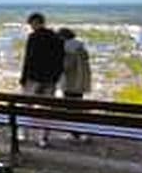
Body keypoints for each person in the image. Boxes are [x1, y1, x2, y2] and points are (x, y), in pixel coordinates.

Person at [20, 12, 65, 147]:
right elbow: (60, 60)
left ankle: (23, 133)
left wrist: (23, 77)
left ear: (35, 23)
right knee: (47, 109)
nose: (31, 27)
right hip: (50, 79)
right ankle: (43, 138)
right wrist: (56, 77)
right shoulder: (56, 38)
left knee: (27, 106)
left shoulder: (33, 37)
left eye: (31, 24)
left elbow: (28, 59)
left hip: (33, 78)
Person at [58, 27, 92, 140]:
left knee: (70, 108)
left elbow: (66, 67)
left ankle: (74, 132)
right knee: (77, 107)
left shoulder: (68, 48)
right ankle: (77, 132)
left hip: (70, 83)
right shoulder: (80, 47)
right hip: (80, 82)